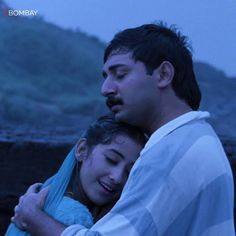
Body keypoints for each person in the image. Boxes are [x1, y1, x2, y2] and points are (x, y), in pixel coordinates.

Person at [11, 23, 235, 235]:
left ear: (163, 75)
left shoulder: (172, 153)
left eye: (120, 74)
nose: (105, 89)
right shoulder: (197, 138)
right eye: (106, 77)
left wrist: (32, 217)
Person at [6, 114, 146, 235]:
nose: (117, 177)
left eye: (130, 172)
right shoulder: (73, 217)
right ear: (82, 149)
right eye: (111, 159)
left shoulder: (40, 202)